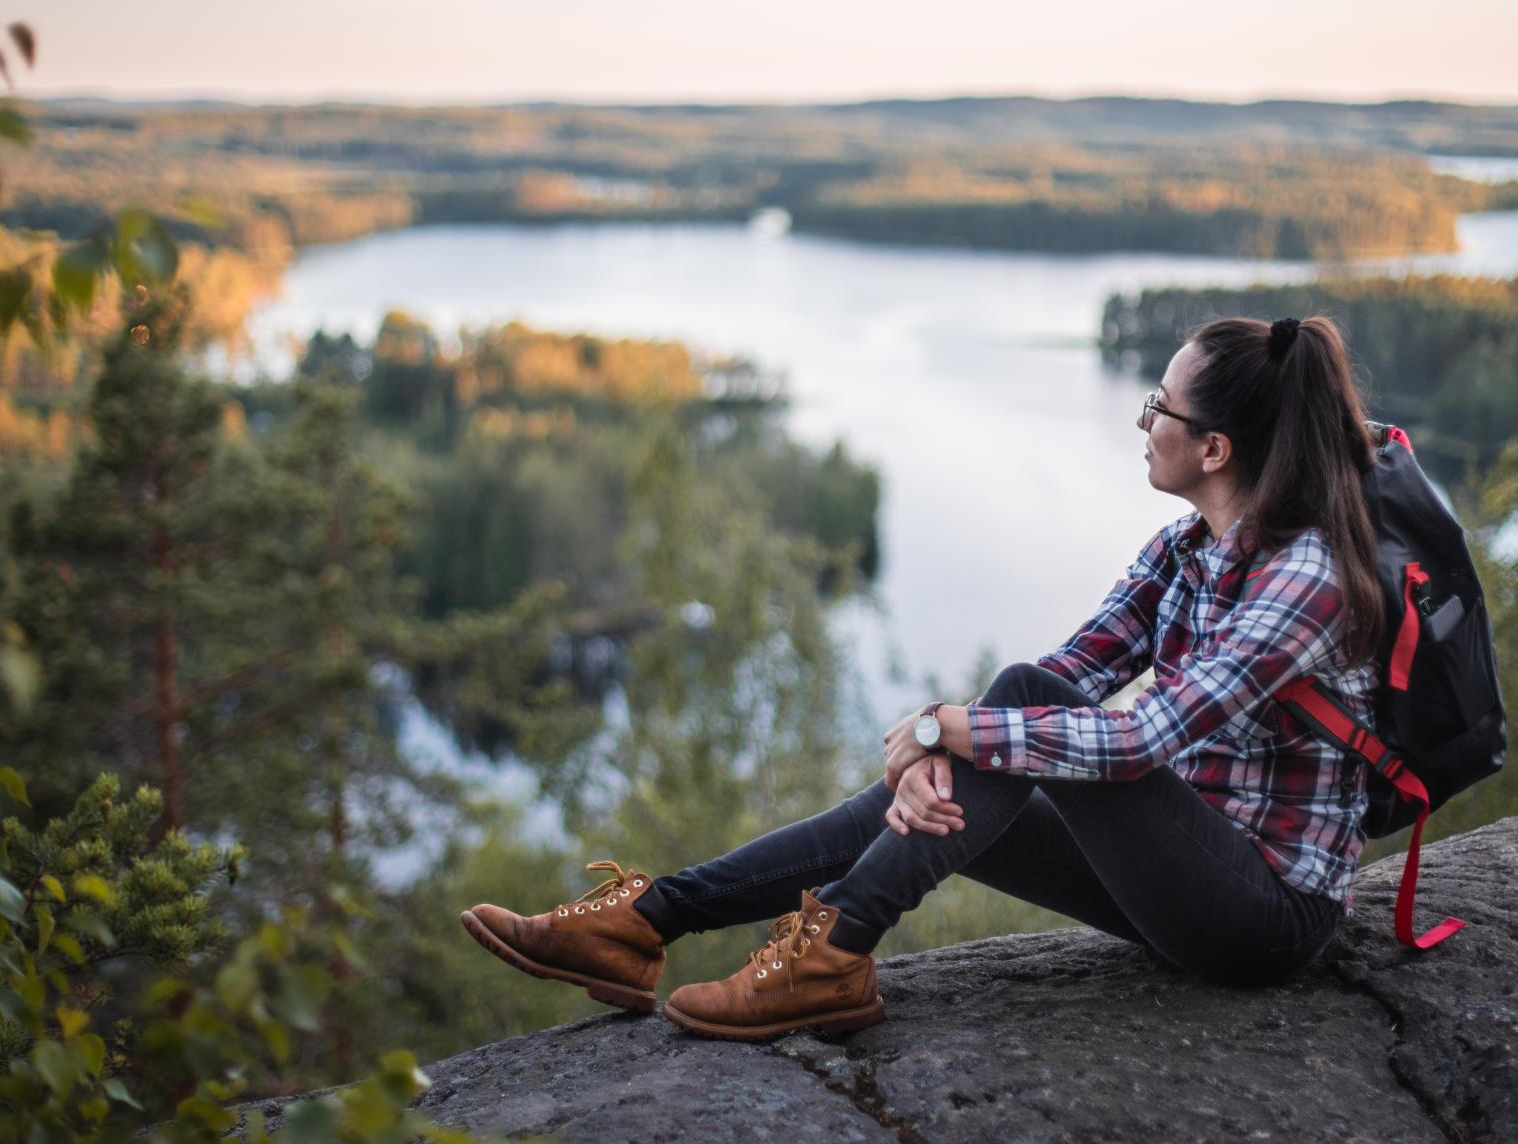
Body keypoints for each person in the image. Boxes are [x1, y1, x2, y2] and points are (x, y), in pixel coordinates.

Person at [460, 314, 1385, 1041]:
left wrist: (953, 730)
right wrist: (951, 755)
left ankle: (830, 960)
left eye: (1161, 405)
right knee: (978, 758)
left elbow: (1140, 734)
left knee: (998, 722)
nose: (1144, 420)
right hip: (1173, 878)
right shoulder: (1187, 547)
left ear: (1215, 448)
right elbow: (1074, 670)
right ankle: (648, 922)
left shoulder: (1308, 578)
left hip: (1263, 915)